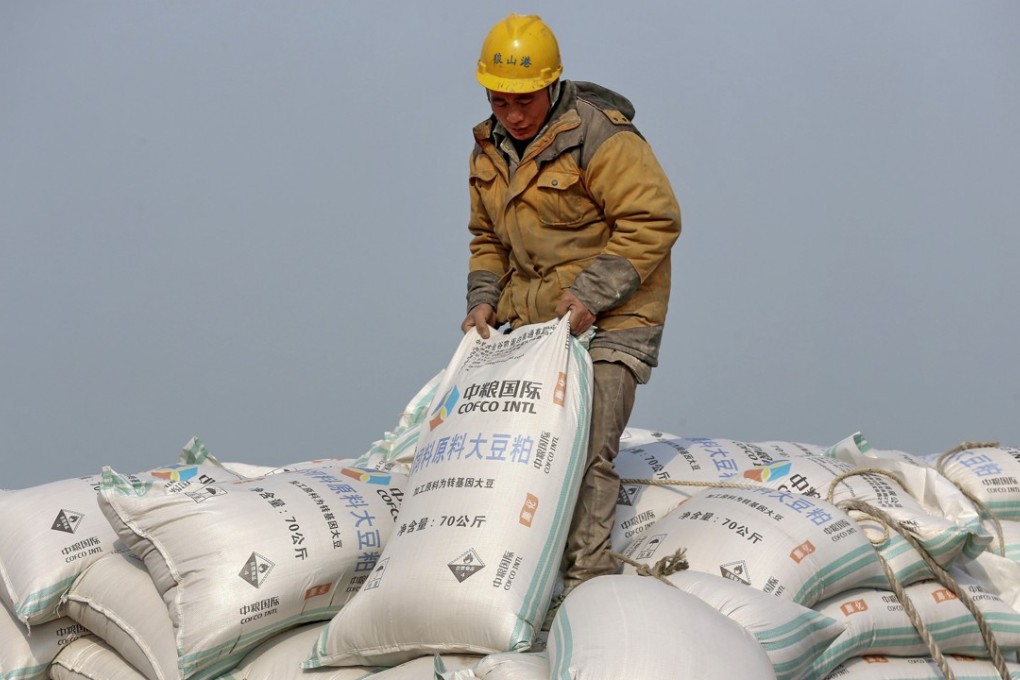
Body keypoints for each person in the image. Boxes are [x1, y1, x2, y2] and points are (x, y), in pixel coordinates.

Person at [460, 13, 682, 610]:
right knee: (511, 446)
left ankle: (586, 584)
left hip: (616, 319)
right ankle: (508, 577)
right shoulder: (489, 147)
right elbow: (487, 237)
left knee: (587, 443)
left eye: (524, 101)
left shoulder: (601, 138)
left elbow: (653, 220)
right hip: (535, 328)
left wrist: (590, 296)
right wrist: (481, 301)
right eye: (500, 101)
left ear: (552, 86)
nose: (513, 115)